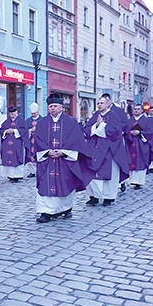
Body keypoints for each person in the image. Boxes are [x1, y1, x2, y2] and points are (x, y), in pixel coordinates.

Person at [34, 93, 91, 223]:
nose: (52, 108)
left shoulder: (70, 122)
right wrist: (48, 152)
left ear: (61, 107)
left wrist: (63, 152)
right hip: (47, 160)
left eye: (55, 106)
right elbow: (38, 139)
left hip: (65, 159)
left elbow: (76, 139)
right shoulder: (42, 123)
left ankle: (66, 209)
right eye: (50, 106)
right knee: (45, 184)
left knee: (65, 182)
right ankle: (46, 212)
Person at [83, 94, 130, 206]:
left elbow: (115, 132)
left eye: (102, 103)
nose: (99, 105)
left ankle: (108, 197)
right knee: (92, 173)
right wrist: (96, 126)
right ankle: (93, 196)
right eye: (98, 103)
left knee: (110, 174)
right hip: (95, 148)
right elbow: (87, 128)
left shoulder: (114, 116)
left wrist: (101, 125)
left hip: (109, 149)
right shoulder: (95, 115)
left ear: (108, 103)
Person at [125, 103, 153, 189]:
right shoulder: (129, 121)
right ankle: (130, 180)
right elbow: (125, 130)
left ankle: (139, 182)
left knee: (140, 160)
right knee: (130, 160)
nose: (136, 110)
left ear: (142, 110)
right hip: (131, 142)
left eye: (138, 109)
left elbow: (150, 132)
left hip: (141, 143)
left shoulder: (147, 121)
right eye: (135, 109)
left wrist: (140, 132)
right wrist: (129, 133)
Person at [0, 105, 27, 182]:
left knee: (16, 158)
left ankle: (17, 176)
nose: (12, 115)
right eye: (10, 114)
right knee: (7, 157)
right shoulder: (6, 122)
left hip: (16, 144)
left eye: (13, 113)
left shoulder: (22, 121)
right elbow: (1, 130)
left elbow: (24, 130)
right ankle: (9, 175)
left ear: (16, 112)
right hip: (7, 144)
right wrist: (6, 131)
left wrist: (14, 131)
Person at [24, 102, 42, 178]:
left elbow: (44, 130)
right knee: (29, 156)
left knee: (38, 155)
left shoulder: (42, 120)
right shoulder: (28, 121)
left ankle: (39, 171)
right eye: (32, 113)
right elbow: (24, 130)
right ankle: (31, 171)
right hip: (30, 141)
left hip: (38, 141)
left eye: (34, 113)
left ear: (37, 112)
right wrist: (30, 130)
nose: (33, 115)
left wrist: (37, 130)